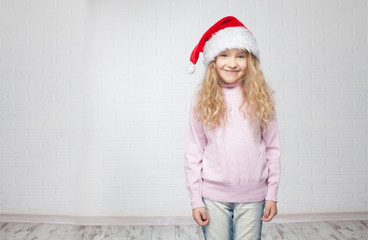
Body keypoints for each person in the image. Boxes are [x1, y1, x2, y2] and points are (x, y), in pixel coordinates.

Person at [184, 16, 281, 240]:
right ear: (213, 60)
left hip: (254, 196)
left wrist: (272, 194)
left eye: (240, 56)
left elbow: (273, 149)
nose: (232, 63)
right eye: (224, 55)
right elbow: (193, 151)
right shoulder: (201, 98)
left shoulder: (261, 97)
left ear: (250, 60)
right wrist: (195, 199)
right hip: (213, 197)